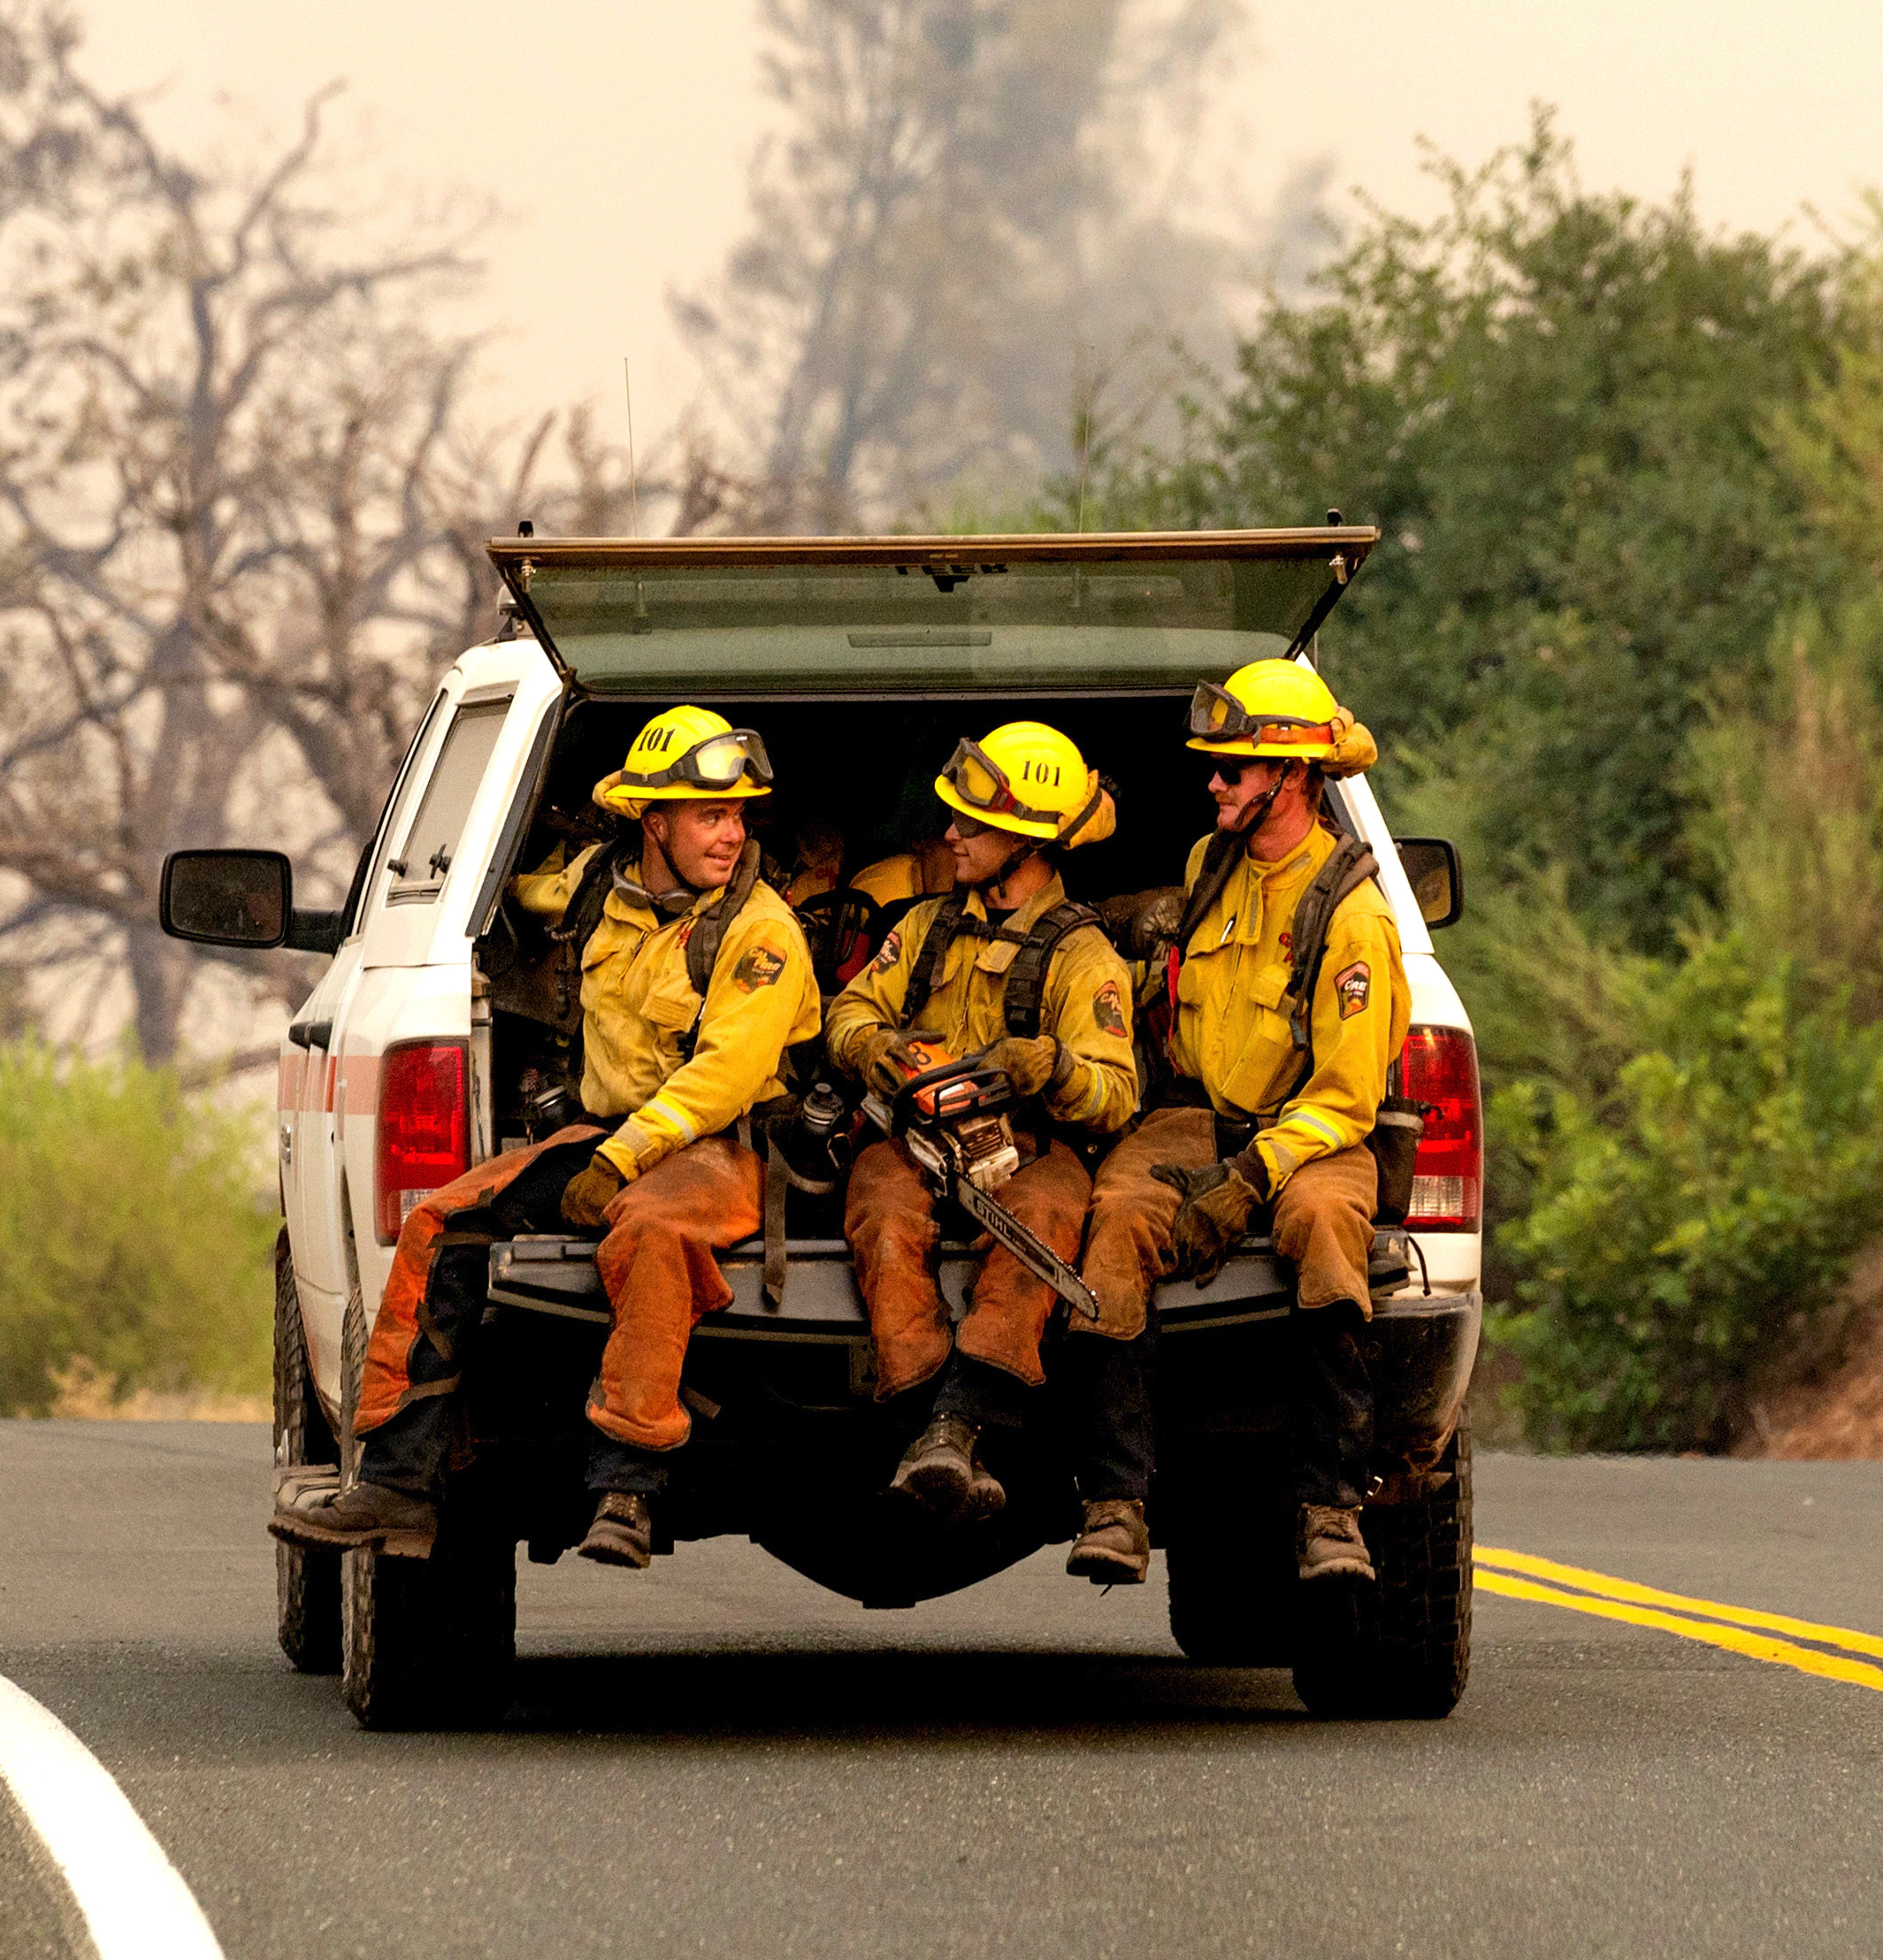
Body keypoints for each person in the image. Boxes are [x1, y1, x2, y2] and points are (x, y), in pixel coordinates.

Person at [277, 707, 821, 1573]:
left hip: (720, 1149)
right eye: (710, 815)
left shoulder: (762, 933)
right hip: (599, 1132)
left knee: (651, 1235)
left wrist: (616, 1161)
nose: (731, 833)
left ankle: (624, 1491)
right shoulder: (596, 886)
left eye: (739, 816)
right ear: (654, 823)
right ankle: (398, 1486)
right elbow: (525, 890)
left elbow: (719, 1077)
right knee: (442, 1222)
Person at [1048, 659, 1409, 1590]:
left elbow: (1345, 1097)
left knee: (1328, 1229)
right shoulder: (1210, 863)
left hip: (1308, 1133)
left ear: (1292, 778)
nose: (1210, 781)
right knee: (1116, 1223)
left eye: (1232, 769)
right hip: (1194, 1117)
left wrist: (1249, 1177)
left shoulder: (1354, 913)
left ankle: (1330, 1512)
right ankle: (1116, 1505)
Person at [825, 722, 1141, 1523]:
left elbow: (1118, 1092)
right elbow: (850, 1009)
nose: (950, 834)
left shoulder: (1083, 954)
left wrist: (1055, 1068)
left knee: (1047, 1215)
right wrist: (879, 1048)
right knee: (880, 1208)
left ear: (1029, 845)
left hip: (1032, 1149)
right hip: (916, 1140)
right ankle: (925, 1421)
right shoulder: (924, 926)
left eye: (974, 823)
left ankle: (956, 1424)